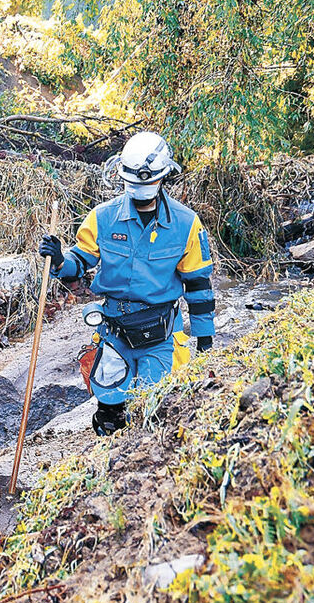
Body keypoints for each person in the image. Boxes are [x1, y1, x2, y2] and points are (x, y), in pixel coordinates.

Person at [39, 132, 215, 436]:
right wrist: (58, 261)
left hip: (160, 335)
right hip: (114, 330)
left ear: (163, 177)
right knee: (109, 410)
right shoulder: (102, 218)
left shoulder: (187, 224)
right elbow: (78, 264)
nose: (140, 192)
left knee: (154, 409)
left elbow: (199, 287)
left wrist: (206, 340)